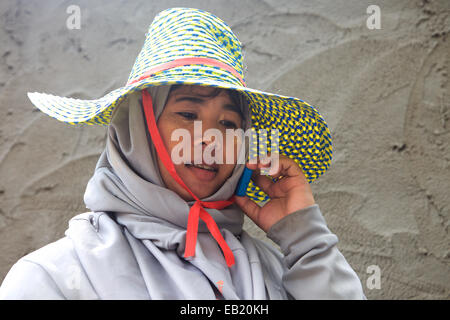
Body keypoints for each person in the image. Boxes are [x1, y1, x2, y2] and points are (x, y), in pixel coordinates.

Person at [0, 7, 366, 299]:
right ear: (137, 128)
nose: (210, 140)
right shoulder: (57, 278)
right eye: (188, 115)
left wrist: (306, 239)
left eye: (228, 124)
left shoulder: (283, 274)